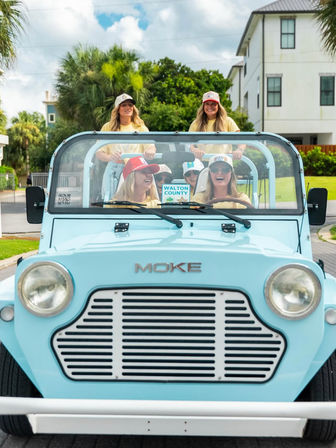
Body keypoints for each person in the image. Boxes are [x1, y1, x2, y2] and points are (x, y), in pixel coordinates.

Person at [96, 93, 156, 163]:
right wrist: (110, 157)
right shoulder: (108, 127)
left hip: (138, 166)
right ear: (118, 109)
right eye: (124, 105)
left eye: (130, 105)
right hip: (116, 169)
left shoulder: (140, 126)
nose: (128, 107)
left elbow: (150, 146)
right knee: (141, 173)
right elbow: (99, 152)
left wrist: (150, 151)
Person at [189, 91, 243, 160]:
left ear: (218, 106)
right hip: (204, 162)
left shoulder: (228, 121)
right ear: (203, 106)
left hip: (224, 163)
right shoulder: (196, 123)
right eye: (207, 104)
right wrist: (194, 150)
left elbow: (241, 140)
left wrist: (239, 150)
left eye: (213, 104)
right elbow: (189, 143)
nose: (210, 107)